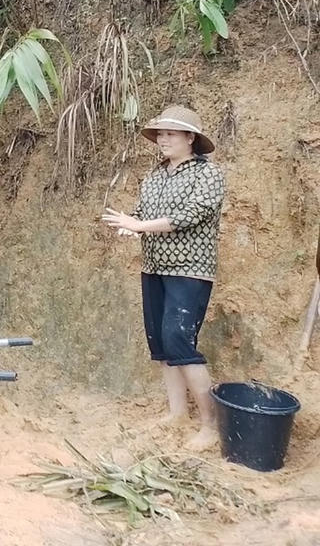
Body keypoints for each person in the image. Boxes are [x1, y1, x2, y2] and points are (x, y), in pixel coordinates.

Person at [102, 105, 226, 451]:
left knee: (179, 340)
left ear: (191, 138)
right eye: (160, 134)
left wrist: (140, 225)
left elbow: (190, 215)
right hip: (154, 268)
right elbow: (143, 215)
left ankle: (211, 425)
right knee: (160, 342)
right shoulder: (155, 176)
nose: (162, 139)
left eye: (171, 134)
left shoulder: (208, 174)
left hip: (190, 270)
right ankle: (177, 414)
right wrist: (132, 225)